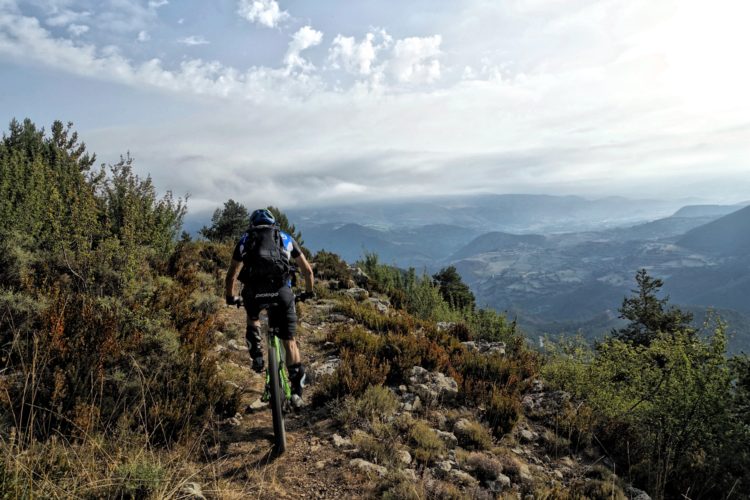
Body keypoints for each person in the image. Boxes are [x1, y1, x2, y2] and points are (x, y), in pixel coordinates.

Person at [225, 208, 314, 408]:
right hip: (282, 293)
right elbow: (307, 270)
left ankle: (257, 355)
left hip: (254, 293)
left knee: (253, 316)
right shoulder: (285, 238)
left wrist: (230, 297)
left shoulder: (245, 240)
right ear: (274, 224)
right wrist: (308, 292)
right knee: (289, 341)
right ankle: (296, 394)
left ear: (252, 225)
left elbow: (232, 274)